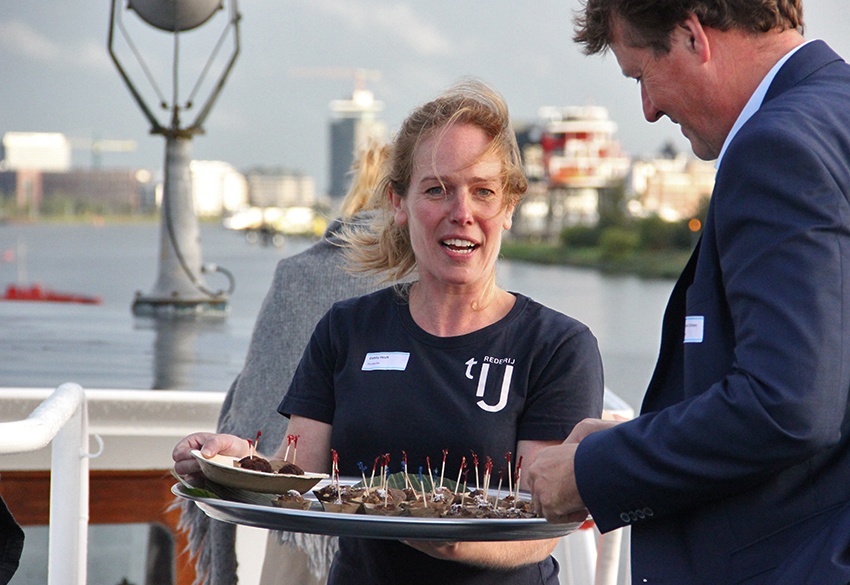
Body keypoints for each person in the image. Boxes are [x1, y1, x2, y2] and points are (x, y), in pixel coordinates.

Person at [174, 79, 604, 585]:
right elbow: (296, 473)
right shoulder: (347, 328)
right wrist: (235, 463)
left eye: (484, 192)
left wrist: (451, 538)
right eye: (437, 189)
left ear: (509, 207)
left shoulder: (557, 347)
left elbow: (543, 525)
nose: (461, 213)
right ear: (397, 202)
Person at [527, 2, 850, 583]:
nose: (648, 111)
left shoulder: (775, 148)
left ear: (692, 35)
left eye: (641, 77)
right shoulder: (835, 117)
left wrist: (595, 470)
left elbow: (789, 405)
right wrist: (640, 433)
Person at [178, 143, 389, 585]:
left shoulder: (298, 272)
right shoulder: (429, 279)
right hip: (402, 511)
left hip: (295, 505)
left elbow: (256, 388)